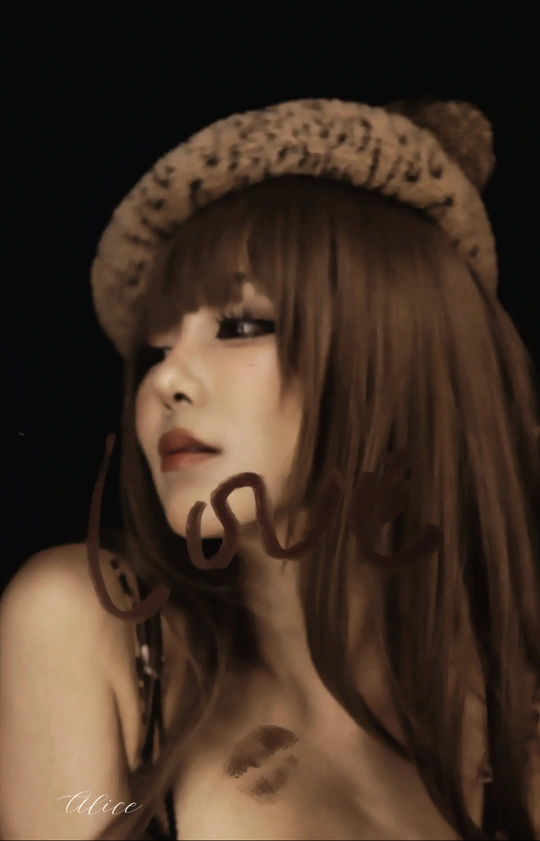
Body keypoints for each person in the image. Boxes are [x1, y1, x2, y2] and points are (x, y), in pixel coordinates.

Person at [1, 97, 538, 841]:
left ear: (393, 352)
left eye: (241, 324)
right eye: (156, 349)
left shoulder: (512, 725)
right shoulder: (88, 627)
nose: (166, 380)